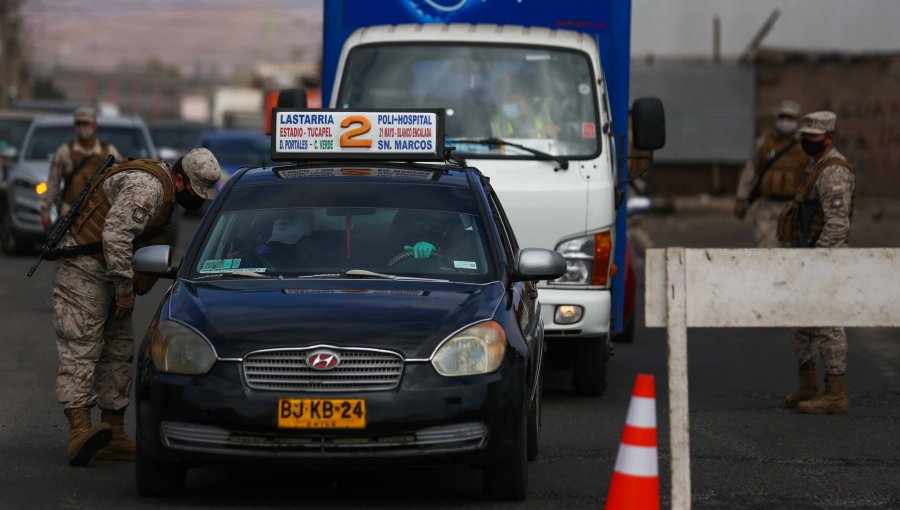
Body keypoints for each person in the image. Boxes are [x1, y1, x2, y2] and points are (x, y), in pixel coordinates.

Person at [49, 148, 220, 465]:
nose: (198, 200)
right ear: (179, 178)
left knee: (119, 349)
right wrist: (125, 289)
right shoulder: (148, 187)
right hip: (82, 268)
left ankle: (113, 433)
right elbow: (115, 235)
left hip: (111, 272)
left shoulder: (167, 193)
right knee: (81, 346)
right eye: (196, 192)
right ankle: (79, 432)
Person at [777, 111, 854, 414]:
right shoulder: (815, 167)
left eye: (812, 137)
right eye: (804, 135)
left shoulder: (834, 171)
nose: (806, 141)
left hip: (823, 259)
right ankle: (808, 386)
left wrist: (822, 259)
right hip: (805, 258)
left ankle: (835, 393)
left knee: (827, 324)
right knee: (802, 323)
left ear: (828, 138)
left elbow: (837, 223)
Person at [733, 100, 808, 247]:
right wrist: (741, 198)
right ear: (777, 118)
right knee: (765, 250)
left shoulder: (805, 146)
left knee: (793, 253)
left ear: (797, 120)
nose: (786, 121)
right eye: (783, 117)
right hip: (767, 207)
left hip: (794, 207)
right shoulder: (763, 143)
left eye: (790, 118)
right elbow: (750, 171)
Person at [40, 107, 122, 230]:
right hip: (69, 214)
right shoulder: (65, 151)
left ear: (94, 125)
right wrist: (45, 211)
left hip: (99, 215)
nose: (82, 127)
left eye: (86, 123)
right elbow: (53, 183)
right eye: (79, 124)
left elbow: (120, 182)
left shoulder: (109, 152)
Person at [490, 74, 561, 139]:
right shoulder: (497, 122)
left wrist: (558, 131)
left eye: (510, 100)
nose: (506, 105)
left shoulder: (550, 107)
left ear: (525, 95)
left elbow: (569, 130)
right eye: (502, 101)